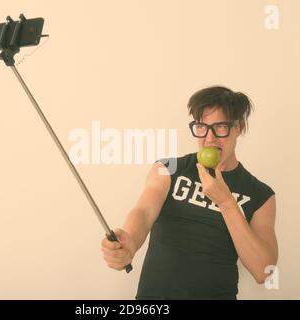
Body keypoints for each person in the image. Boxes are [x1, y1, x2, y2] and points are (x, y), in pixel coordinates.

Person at [100, 86, 278, 300]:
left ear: (238, 127)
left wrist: (226, 202)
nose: (210, 138)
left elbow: (264, 271)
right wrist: (128, 241)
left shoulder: (260, 194)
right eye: (202, 127)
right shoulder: (169, 169)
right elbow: (144, 212)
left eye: (220, 127)